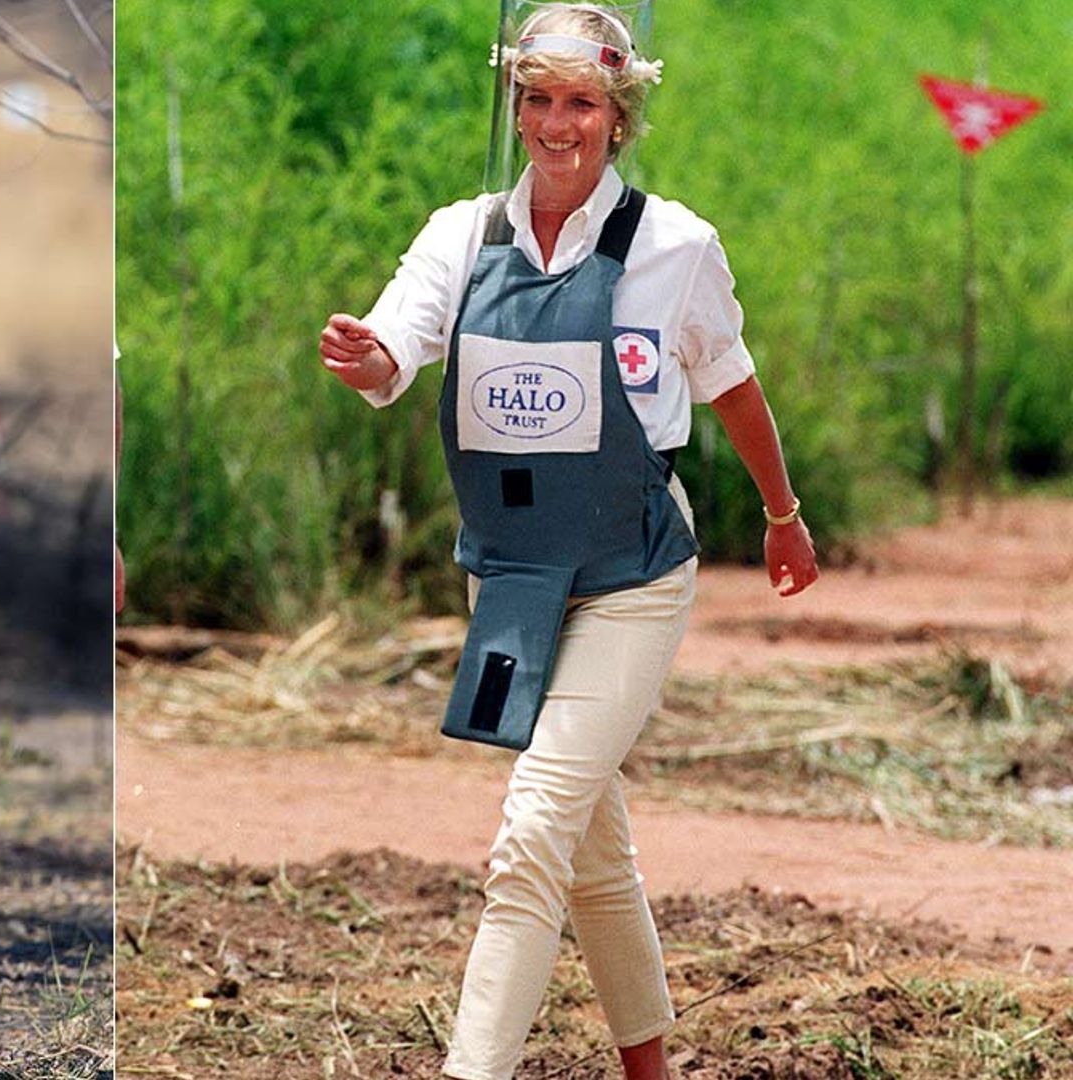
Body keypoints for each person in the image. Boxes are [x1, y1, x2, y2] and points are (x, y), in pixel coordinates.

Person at [319, 5, 816, 1078]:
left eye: (581, 102)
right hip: (510, 580)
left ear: (618, 116)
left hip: (634, 576)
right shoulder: (462, 235)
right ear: (516, 109)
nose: (557, 123)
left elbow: (732, 385)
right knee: (590, 847)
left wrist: (782, 515)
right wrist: (365, 357)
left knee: (533, 832)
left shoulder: (676, 246)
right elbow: (398, 343)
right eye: (538, 100)